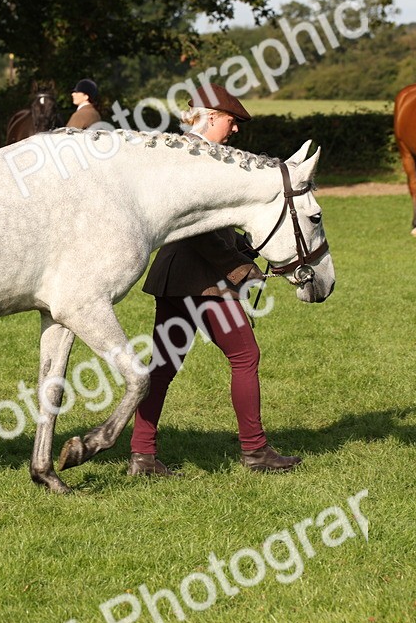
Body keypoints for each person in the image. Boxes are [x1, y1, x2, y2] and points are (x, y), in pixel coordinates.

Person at [129, 83, 301, 477]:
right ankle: (256, 452)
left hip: (176, 276)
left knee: (163, 365)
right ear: (209, 117)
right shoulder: (195, 157)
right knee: (244, 356)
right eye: (230, 120)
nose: (235, 129)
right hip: (202, 282)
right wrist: (243, 271)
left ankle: (142, 455)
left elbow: (212, 225)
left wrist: (245, 250)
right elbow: (199, 232)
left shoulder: (187, 152)